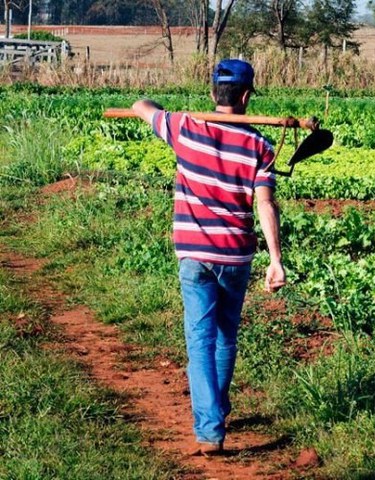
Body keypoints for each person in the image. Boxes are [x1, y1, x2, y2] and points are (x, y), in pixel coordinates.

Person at [131, 59, 285, 456]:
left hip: (194, 253)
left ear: (212, 94)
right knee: (225, 337)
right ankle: (215, 412)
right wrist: (275, 259)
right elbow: (266, 205)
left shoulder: (184, 127)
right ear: (247, 97)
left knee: (200, 340)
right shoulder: (259, 145)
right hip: (236, 254)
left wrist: (158, 107)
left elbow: (139, 105)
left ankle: (210, 428)